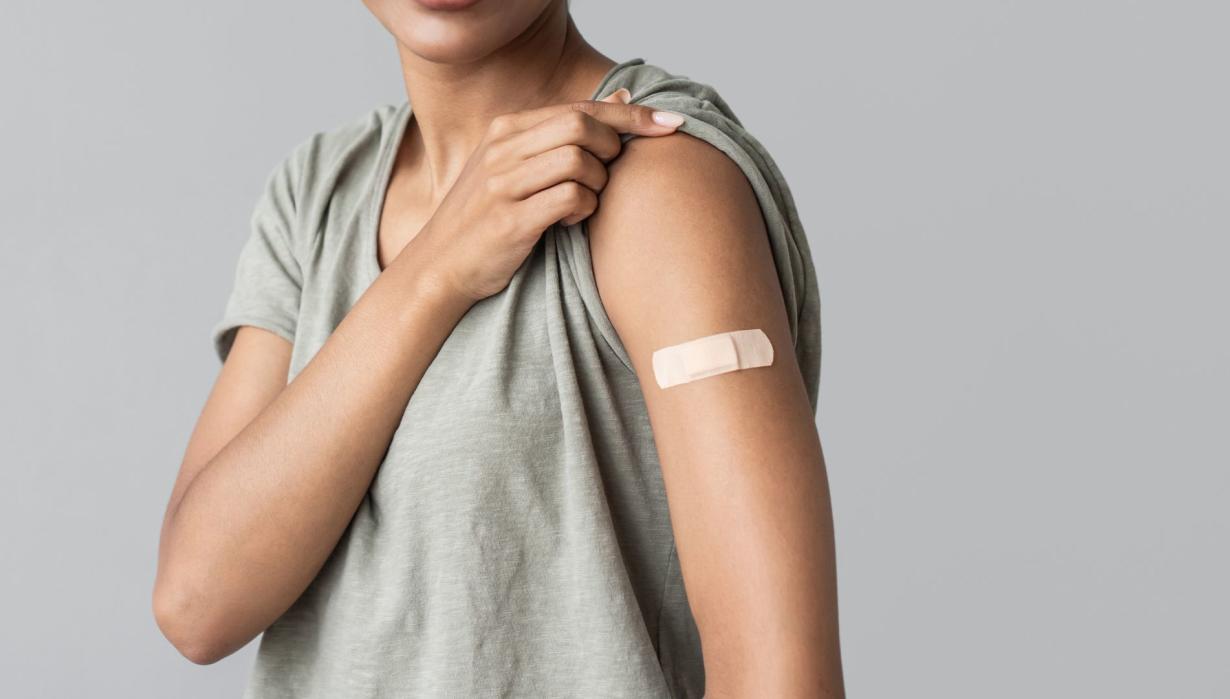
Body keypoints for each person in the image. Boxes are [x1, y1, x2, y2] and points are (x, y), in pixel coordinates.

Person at [152, 0, 845, 696]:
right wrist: (435, 270)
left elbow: (782, 679)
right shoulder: (318, 196)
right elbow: (196, 605)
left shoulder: (660, 185)